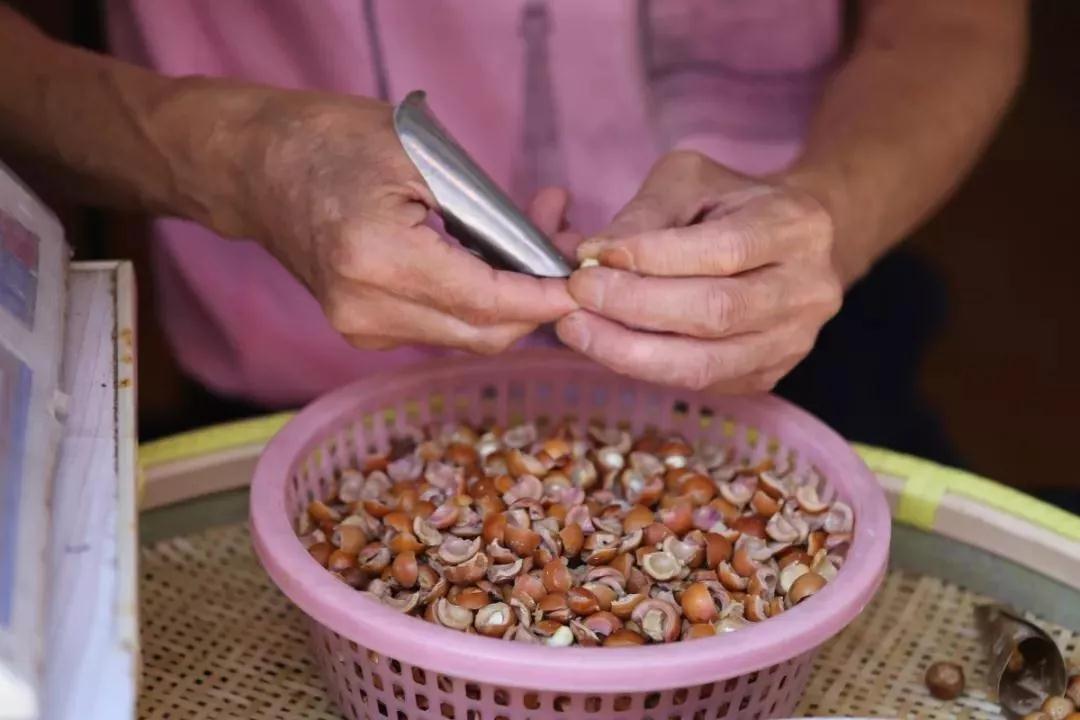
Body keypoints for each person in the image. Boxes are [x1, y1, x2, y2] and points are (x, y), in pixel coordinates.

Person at [0, 2, 1026, 460]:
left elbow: (954, 19)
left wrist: (833, 212)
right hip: (291, 384)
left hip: (788, 330)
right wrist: (235, 155)